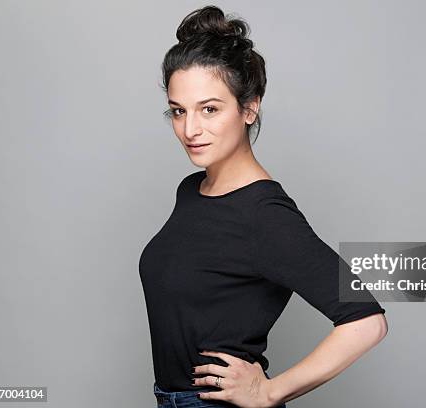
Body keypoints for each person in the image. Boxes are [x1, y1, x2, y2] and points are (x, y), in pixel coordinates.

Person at [139, 5, 388, 407]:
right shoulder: (191, 191)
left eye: (210, 109)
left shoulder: (264, 212)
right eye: (178, 111)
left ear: (249, 107)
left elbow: (366, 322)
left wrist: (268, 391)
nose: (190, 129)